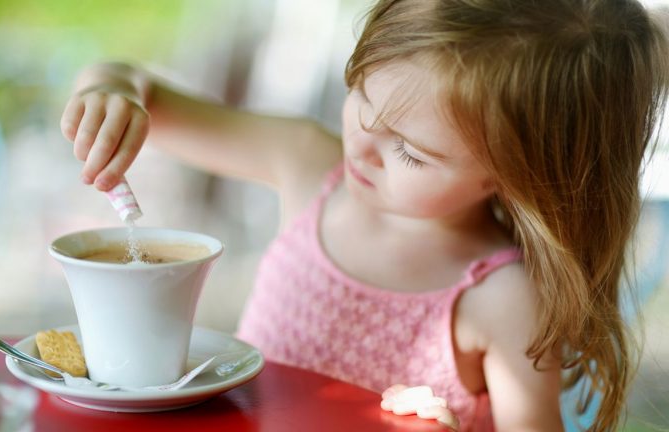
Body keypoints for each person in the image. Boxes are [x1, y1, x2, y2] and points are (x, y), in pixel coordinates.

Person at [59, 0, 669, 430]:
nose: (363, 144)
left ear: (518, 176)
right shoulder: (306, 164)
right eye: (362, 97)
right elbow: (142, 90)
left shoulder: (501, 298)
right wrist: (107, 91)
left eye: (410, 150)